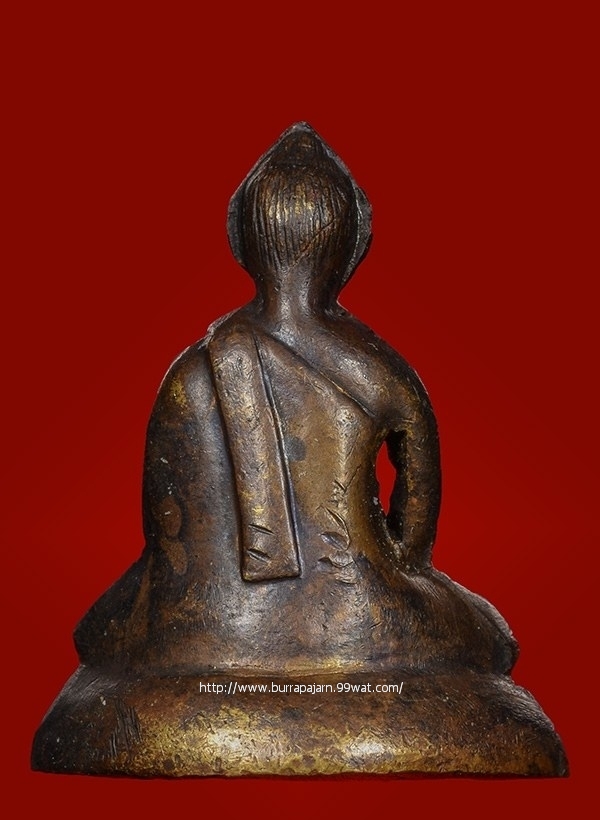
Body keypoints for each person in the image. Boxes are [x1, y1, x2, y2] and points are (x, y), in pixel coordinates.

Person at [75, 122, 518, 678]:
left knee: (98, 634)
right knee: (489, 637)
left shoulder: (191, 374)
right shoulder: (384, 374)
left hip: (209, 626)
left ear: (243, 244)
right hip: (362, 614)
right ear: (349, 246)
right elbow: (412, 541)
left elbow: (165, 538)